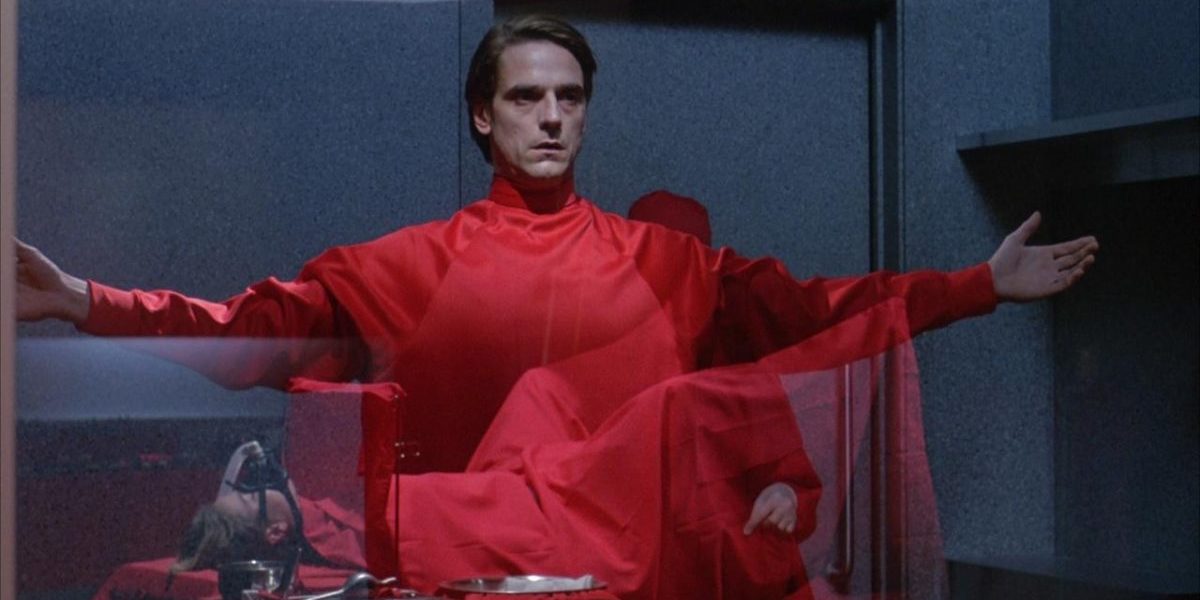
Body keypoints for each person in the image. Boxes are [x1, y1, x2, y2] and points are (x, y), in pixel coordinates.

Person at [16, 14, 1098, 599]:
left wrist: (976, 286)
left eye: (569, 98)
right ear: (482, 119)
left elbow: (817, 311)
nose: (550, 118)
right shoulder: (416, 265)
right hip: (458, 577)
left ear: (587, 117)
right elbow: (251, 329)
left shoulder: (665, 263)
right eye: (526, 97)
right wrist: (84, 300)